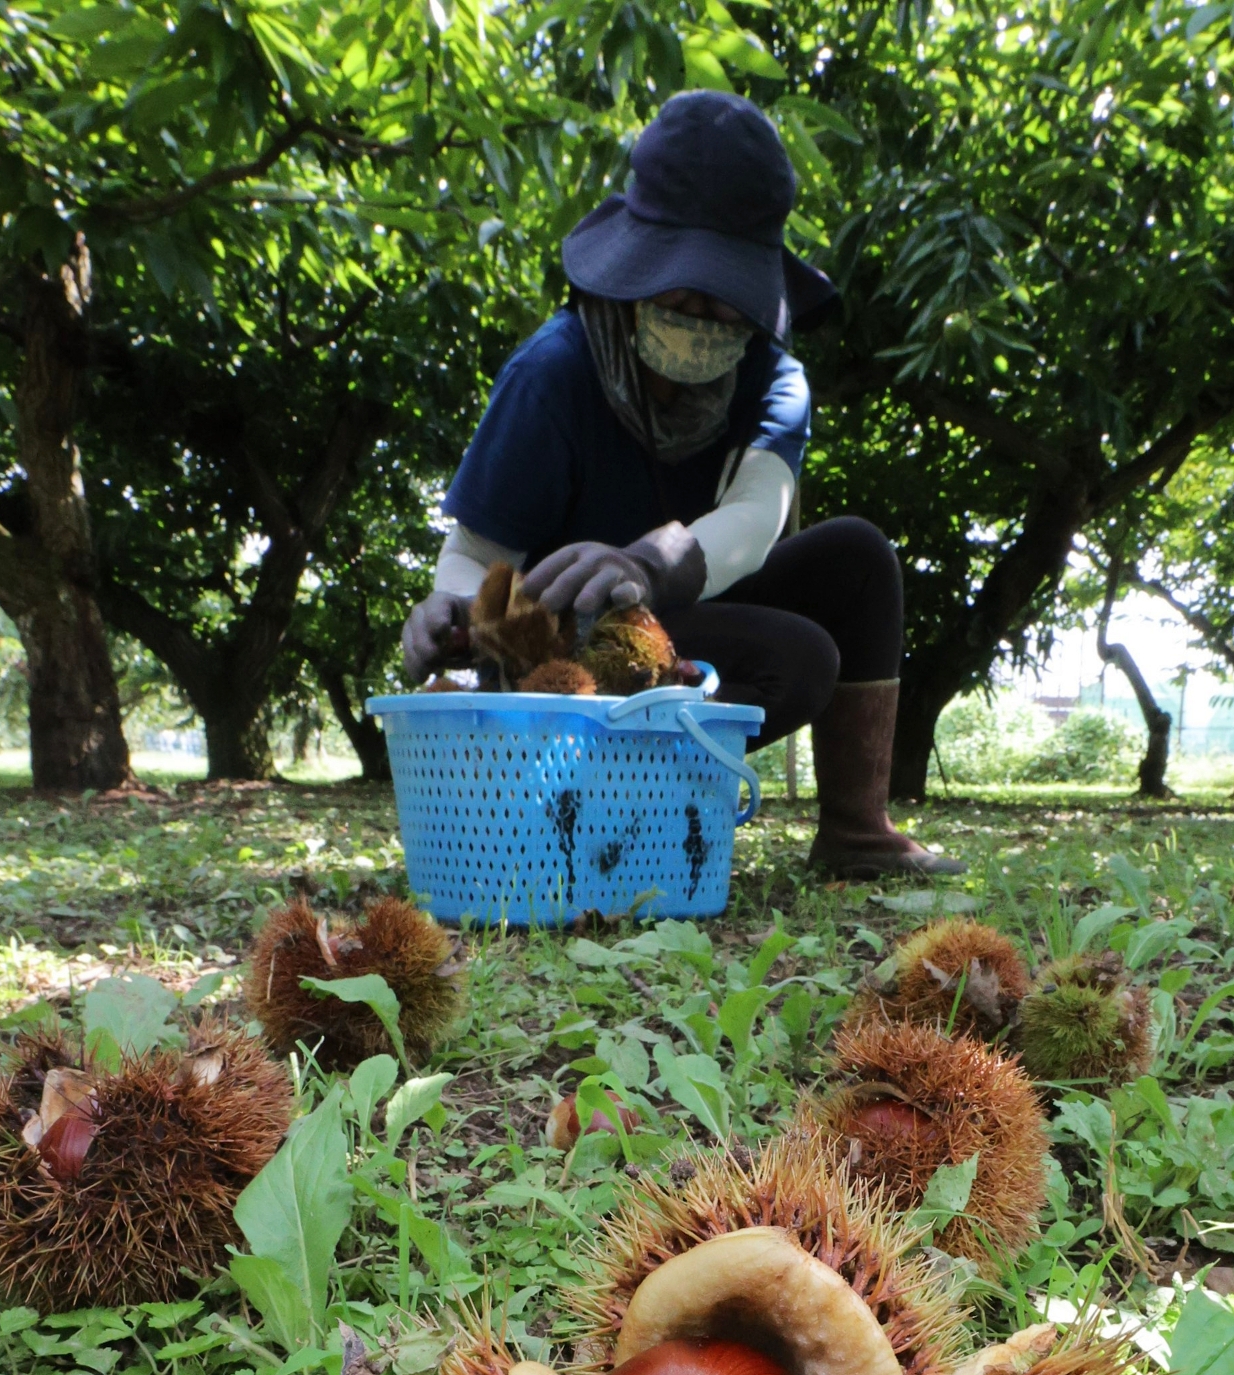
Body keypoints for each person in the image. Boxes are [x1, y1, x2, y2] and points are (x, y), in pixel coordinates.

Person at [401, 92, 961, 880]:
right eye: (677, 293)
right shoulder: (553, 375)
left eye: (721, 299)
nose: (698, 315)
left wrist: (650, 566)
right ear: (632, 273)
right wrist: (461, 615)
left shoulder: (774, 379)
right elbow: (474, 555)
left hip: (686, 615)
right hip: (560, 666)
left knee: (858, 556)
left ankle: (856, 831)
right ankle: (595, 810)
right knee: (795, 658)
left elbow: (756, 514)